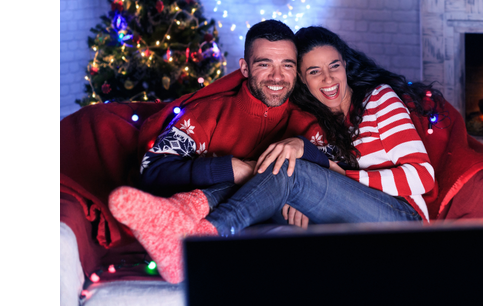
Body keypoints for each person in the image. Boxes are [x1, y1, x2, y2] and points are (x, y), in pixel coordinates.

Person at [109, 25, 439, 283]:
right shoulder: (315, 119)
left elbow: (422, 176)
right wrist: (290, 202)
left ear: (345, 66)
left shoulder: (378, 99)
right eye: (313, 72)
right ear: (302, 81)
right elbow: (304, 193)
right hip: (354, 218)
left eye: (334, 66)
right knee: (272, 168)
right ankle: (180, 210)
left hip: (404, 220)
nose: (328, 79)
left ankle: (204, 238)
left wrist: (334, 175)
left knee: (287, 167)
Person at [108, 20, 329, 283]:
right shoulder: (208, 114)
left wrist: (305, 204)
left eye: (287, 65)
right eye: (264, 64)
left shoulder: (308, 125)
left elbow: (329, 178)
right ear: (245, 68)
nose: (277, 76)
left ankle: (185, 225)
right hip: (222, 229)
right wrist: (227, 169)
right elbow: (153, 171)